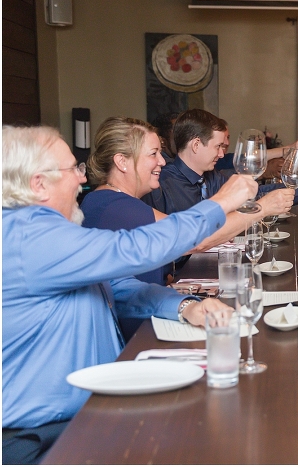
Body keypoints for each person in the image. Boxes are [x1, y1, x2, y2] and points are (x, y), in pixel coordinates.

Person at [2, 125, 256, 463]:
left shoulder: (47, 231)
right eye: (72, 170)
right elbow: (136, 249)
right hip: (44, 437)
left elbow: (116, 285)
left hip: (94, 410)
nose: (82, 178)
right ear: (39, 184)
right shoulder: (27, 236)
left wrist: (183, 306)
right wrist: (220, 203)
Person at [80, 117, 294, 336]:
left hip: (149, 312)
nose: (162, 162)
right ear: (122, 162)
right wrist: (260, 209)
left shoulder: (114, 200)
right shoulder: (113, 205)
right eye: (153, 154)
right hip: (137, 331)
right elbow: (193, 239)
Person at [142, 109, 298, 215]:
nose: (222, 155)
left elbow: (257, 193)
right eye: (218, 147)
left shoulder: (213, 179)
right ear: (196, 145)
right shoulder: (161, 185)